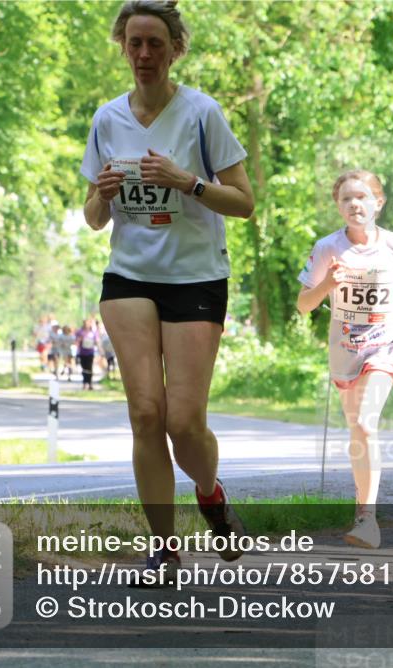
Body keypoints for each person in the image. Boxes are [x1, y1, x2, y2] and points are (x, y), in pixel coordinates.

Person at [81, 0, 254, 575]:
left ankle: (210, 492)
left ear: (175, 48)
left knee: (184, 422)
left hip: (196, 276)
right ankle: (162, 546)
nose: (144, 54)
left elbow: (245, 202)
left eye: (156, 43)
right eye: (135, 43)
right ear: (122, 47)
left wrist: (187, 182)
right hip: (129, 276)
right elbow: (92, 218)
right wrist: (103, 194)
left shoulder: (202, 113)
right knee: (145, 414)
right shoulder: (107, 119)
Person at [296, 169, 393, 549]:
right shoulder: (327, 247)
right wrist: (328, 284)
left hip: (385, 345)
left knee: (366, 424)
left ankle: (368, 519)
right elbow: (303, 306)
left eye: (362, 197)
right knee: (357, 432)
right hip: (345, 349)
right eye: (346, 198)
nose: (354, 204)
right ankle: (360, 509)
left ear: (377, 203)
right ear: (338, 206)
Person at [75, 317, 100, 391]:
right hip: (82, 352)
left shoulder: (93, 332)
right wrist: (80, 339)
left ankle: (90, 383)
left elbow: (97, 341)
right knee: (84, 368)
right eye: (85, 323)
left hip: (90, 352)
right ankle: (85, 383)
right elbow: (76, 341)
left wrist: (100, 349)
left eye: (88, 323)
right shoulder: (80, 332)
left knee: (89, 368)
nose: (87, 324)